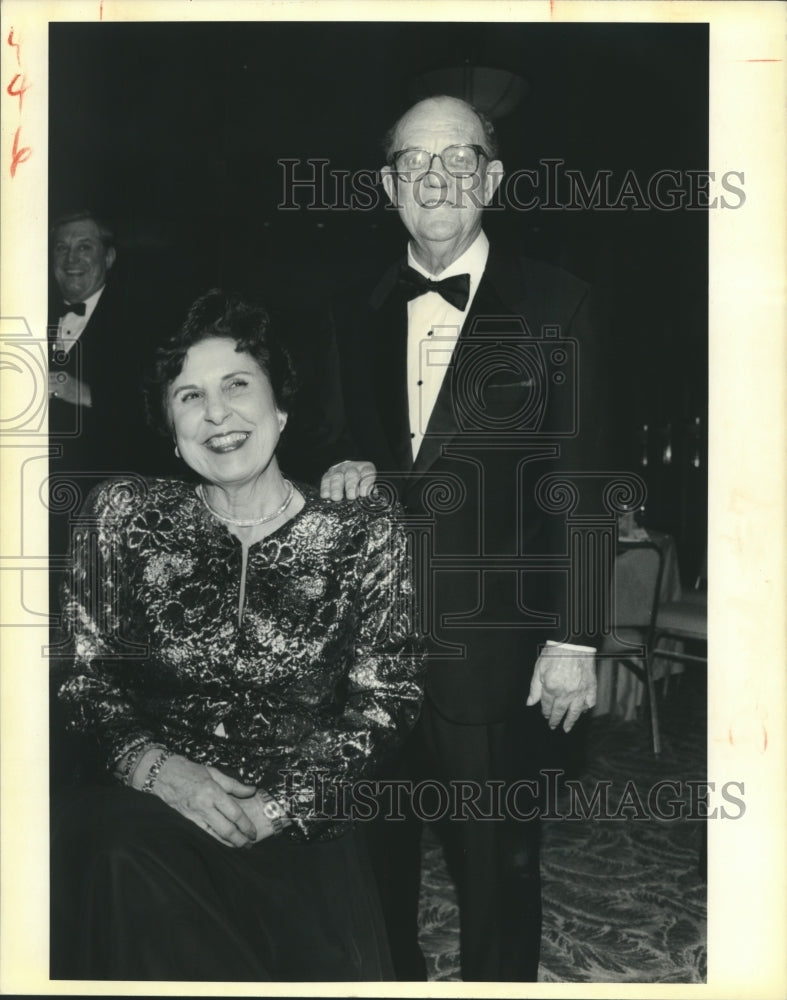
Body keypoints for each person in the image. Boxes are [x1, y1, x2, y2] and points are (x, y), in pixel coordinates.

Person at [308, 96, 612, 981]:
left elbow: (585, 484)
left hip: (495, 650)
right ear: (385, 186)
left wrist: (573, 637)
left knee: (495, 880)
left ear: (491, 179)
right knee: (371, 871)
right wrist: (342, 463)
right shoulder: (345, 309)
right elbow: (324, 437)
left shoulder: (560, 304)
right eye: (412, 163)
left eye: (457, 160)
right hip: (364, 656)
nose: (434, 179)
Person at [49, 289, 424, 981]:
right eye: (188, 397)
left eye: (236, 386)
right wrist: (157, 770)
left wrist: (278, 807)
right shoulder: (122, 516)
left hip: (299, 818)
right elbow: (83, 677)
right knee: (121, 859)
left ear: (280, 407)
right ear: (169, 425)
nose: (215, 413)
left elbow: (385, 701)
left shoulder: (360, 528)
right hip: (147, 809)